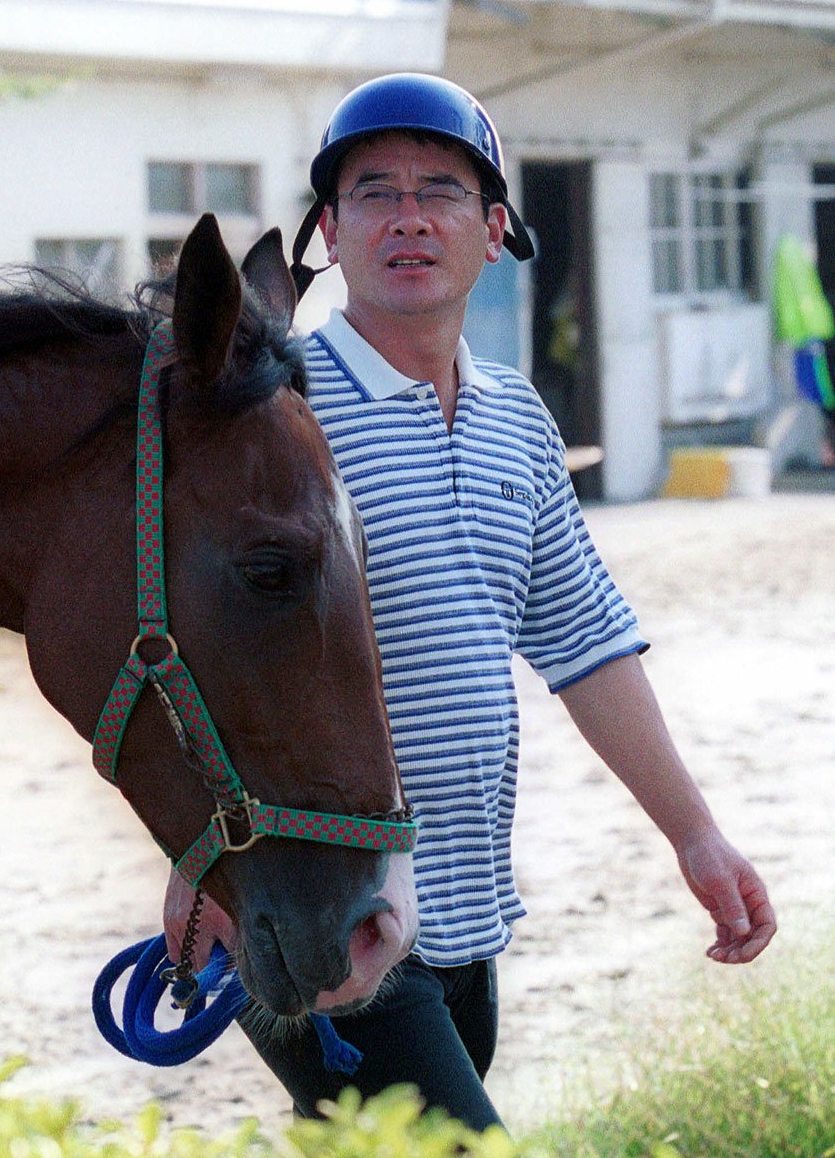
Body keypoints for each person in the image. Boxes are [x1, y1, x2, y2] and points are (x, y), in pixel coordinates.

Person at [164, 72, 777, 1132]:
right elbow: (184, 641)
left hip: (464, 912)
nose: (407, 216)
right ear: (327, 231)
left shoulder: (517, 421)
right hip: (317, 903)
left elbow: (584, 639)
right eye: (373, 192)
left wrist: (695, 834)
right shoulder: (278, 415)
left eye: (440, 189)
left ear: (494, 230)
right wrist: (191, 852)